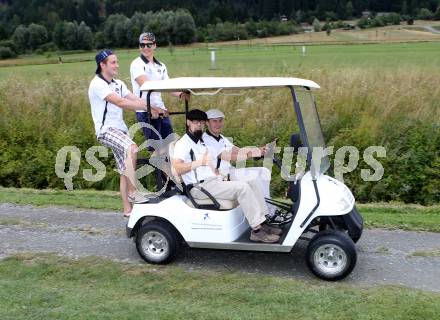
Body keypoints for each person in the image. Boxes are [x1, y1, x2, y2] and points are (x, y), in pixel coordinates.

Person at [171, 109, 282, 243]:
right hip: (198, 187)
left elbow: (210, 163)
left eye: (201, 123)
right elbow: (177, 168)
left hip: (212, 181)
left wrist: (217, 174)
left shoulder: (200, 142)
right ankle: (257, 231)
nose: (199, 125)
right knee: (242, 187)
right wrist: (199, 163)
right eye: (196, 123)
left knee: (251, 182)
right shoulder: (183, 144)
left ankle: (263, 222)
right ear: (188, 122)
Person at [202, 108, 293, 225]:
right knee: (253, 178)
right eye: (214, 121)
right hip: (221, 176)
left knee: (263, 171)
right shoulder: (207, 140)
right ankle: (267, 214)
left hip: (230, 172)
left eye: (220, 121)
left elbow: (238, 150)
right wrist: (253, 154)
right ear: (207, 123)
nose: (218, 124)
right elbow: (230, 157)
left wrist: (261, 149)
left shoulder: (221, 138)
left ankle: (271, 211)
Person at [88, 49, 149, 218]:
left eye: (117, 62)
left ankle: (127, 210)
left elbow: (135, 99)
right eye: (113, 62)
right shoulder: (97, 84)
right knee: (132, 148)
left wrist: (154, 107)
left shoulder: (119, 84)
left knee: (124, 171)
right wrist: (143, 107)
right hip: (106, 130)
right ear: (102, 65)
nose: (117, 65)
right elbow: (121, 102)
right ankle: (133, 190)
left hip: (120, 131)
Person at [130, 32, 189, 144]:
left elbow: (168, 86)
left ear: (154, 45)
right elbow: (146, 85)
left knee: (171, 144)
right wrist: (156, 109)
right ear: (139, 47)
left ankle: (172, 162)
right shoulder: (136, 64)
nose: (145, 48)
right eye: (142, 45)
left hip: (161, 108)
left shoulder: (161, 66)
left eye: (149, 45)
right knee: (156, 148)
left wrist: (181, 94)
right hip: (145, 109)